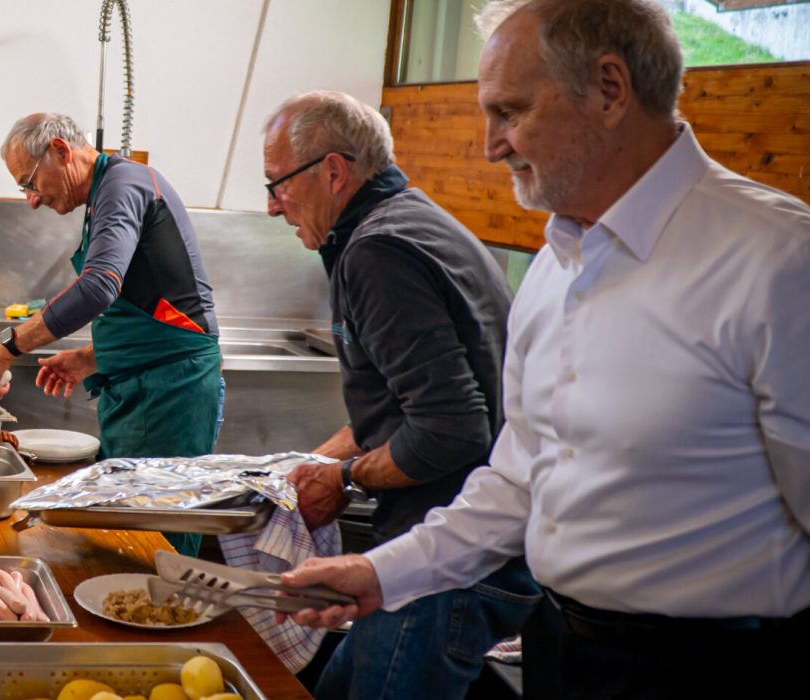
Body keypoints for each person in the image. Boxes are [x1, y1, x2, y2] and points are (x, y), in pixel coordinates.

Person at [282, 1, 810, 697]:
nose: (491, 146)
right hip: (564, 647)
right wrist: (382, 573)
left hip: (712, 667)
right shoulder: (558, 261)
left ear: (610, 90)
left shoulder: (777, 261)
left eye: (510, 112)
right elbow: (518, 482)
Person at [261, 90, 537, 699]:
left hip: (446, 560)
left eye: (277, 185)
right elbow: (402, 406)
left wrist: (344, 479)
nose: (274, 206)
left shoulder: (377, 250)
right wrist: (310, 464)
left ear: (334, 172)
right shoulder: (409, 219)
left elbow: (450, 431)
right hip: (449, 550)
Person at [0, 113, 222, 555]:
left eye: (30, 182)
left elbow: (100, 286)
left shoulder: (123, 184)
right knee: (129, 533)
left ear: (60, 151)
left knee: (154, 541)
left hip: (169, 391)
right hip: (146, 383)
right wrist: (93, 356)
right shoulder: (105, 192)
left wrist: (5, 350)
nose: (32, 200)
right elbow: (150, 297)